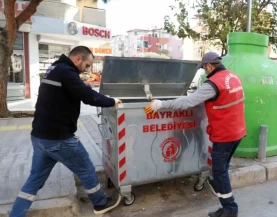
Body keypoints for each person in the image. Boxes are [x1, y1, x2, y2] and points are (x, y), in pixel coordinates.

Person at [10, 46, 122, 216]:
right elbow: (89, 96)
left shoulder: (55, 67)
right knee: (86, 169)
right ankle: (100, 203)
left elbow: (65, 92)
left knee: (35, 179)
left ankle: (16, 214)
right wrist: (112, 102)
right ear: (78, 59)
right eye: (87, 65)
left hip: (40, 138)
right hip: (58, 139)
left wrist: (78, 85)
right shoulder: (67, 72)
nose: (87, 70)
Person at [144, 52, 246, 217]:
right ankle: (225, 206)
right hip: (238, 132)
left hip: (225, 135)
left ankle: (230, 209)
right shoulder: (233, 76)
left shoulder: (213, 84)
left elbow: (188, 102)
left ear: (210, 66)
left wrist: (161, 104)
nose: (205, 72)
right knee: (221, 170)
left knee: (219, 172)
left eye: (204, 68)